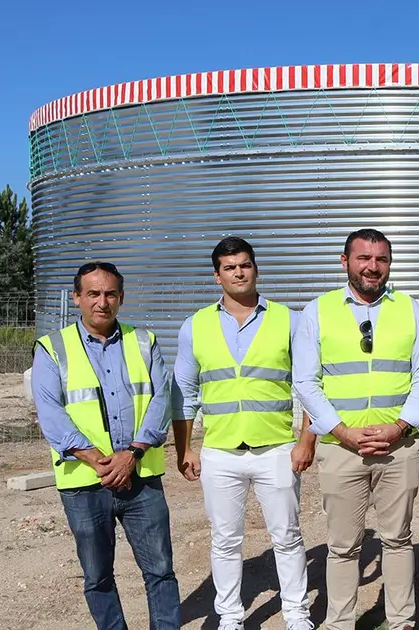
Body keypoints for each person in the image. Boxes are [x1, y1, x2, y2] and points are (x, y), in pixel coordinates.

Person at [171, 237, 330, 630]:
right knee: (225, 540)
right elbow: (184, 394)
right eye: (229, 267)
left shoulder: (289, 320)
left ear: (256, 268)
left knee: (288, 537)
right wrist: (185, 448)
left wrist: (306, 440)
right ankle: (230, 617)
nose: (238, 272)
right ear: (217, 275)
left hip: (276, 449)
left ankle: (296, 614)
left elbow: (309, 385)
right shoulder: (195, 326)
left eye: (244, 265)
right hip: (221, 451)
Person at [293, 228, 419, 630]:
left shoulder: (409, 309)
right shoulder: (317, 311)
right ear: (345, 262)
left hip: (398, 446)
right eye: (364, 258)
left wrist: (400, 426)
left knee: (398, 539)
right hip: (342, 449)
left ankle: (401, 621)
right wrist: (340, 431)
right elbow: (306, 381)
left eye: (381, 259)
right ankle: (340, 622)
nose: (373, 267)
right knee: (342, 546)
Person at [31, 261, 181, 630]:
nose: (102, 302)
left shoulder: (144, 341)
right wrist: (101, 462)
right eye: (93, 294)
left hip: (141, 476)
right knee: (97, 577)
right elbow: (51, 414)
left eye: (110, 294)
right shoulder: (53, 348)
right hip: (84, 483)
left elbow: (162, 400)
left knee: (160, 571)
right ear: (78, 298)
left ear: (122, 297)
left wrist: (132, 454)